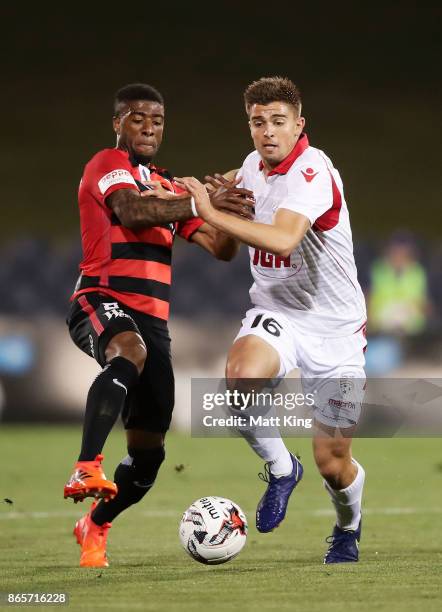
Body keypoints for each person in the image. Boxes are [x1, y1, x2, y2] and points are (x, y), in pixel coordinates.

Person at [63, 83, 254, 568]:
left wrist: (228, 211)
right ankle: (86, 466)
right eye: (137, 117)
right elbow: (131, 210)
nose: (148, 127)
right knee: (128, 350)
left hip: (154, 324)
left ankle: (97, 523)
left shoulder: (170, 185)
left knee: (148, 457)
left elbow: (219, 247)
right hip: (100, 298)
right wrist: (199, 202)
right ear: (117, 124)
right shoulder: (107, 165)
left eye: (157, 120)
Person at [179, 76, 367, 564]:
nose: (267, 132)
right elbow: (222, 199)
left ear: (299, 124)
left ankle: (348, 527)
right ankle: (282, 469)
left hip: (335, 329)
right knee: (241, 377)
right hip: (278, 312)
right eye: (257, 122)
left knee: (333, 462)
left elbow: (283, 240)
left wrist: (206, 212)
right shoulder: (251, 167)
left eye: (278, 122)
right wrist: (185, 199)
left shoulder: (312, 170)